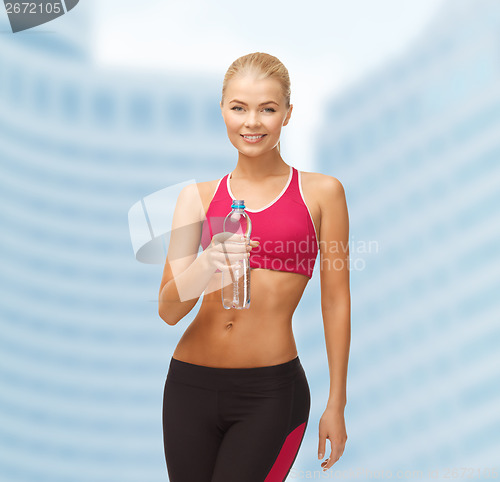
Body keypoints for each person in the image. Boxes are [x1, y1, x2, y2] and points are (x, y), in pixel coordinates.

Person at [158, 52, 350, 481]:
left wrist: (336, 403)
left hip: (270, 393)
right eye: (239, 108)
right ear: (223, 111)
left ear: (287, 114)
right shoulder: (197, 198)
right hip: (188, 386)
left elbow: (335, 302)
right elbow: (168, 309)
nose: (252, 122)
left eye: (268, 109)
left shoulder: (321, 194)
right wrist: (207, 263)